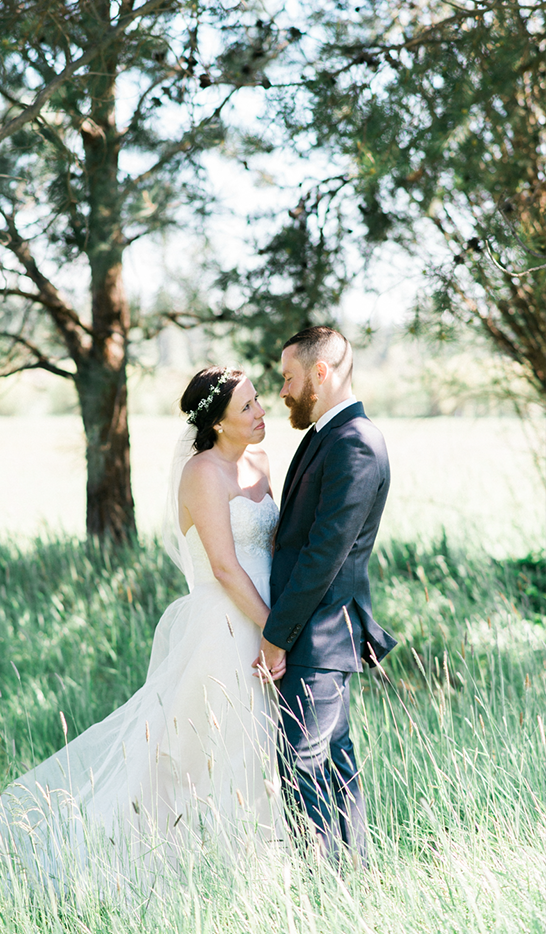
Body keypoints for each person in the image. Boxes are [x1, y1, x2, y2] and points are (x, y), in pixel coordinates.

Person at [0, 365, 285, 895]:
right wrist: (277, 630)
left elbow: (271, 545)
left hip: (267, 618)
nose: (260, 414)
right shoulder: (202, 474)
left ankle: (260, 865)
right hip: (225, 627)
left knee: (262, 744)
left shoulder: (259, 460)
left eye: (257, 401)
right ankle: (171, 863)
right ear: (217, 424)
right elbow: (226, 567)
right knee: (207, 747)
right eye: (247, 408)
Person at [254, 325, 394, 866]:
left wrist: (275, 636)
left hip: (318, 632)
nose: (282, 390)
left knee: (303, 771)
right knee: (335, 770)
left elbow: (322, 557)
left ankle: (324, 897)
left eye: (289, 377)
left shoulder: (355, 444)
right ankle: (352, 883)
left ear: (321, 372)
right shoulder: (324, 436)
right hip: (317, 632)